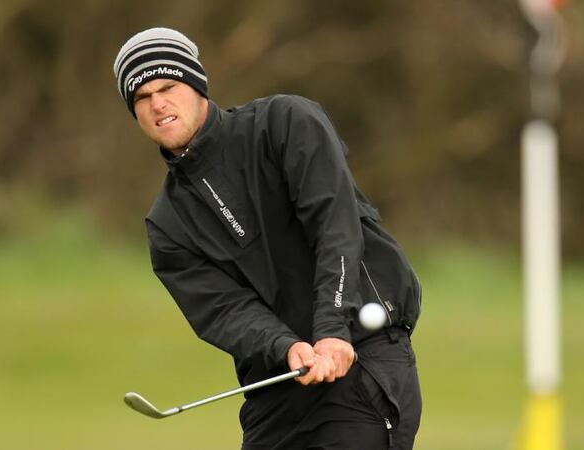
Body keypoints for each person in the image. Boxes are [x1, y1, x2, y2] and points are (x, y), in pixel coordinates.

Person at [113, 27, 422, 449]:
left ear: (197, 84)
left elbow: (334, 226)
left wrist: (332, 328)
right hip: (276, 385)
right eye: (142, 98)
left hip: (360, 359)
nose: (158, 104)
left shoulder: (285, 124)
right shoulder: (167, 225)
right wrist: (285, 346)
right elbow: (225, 311)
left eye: (168, 86)